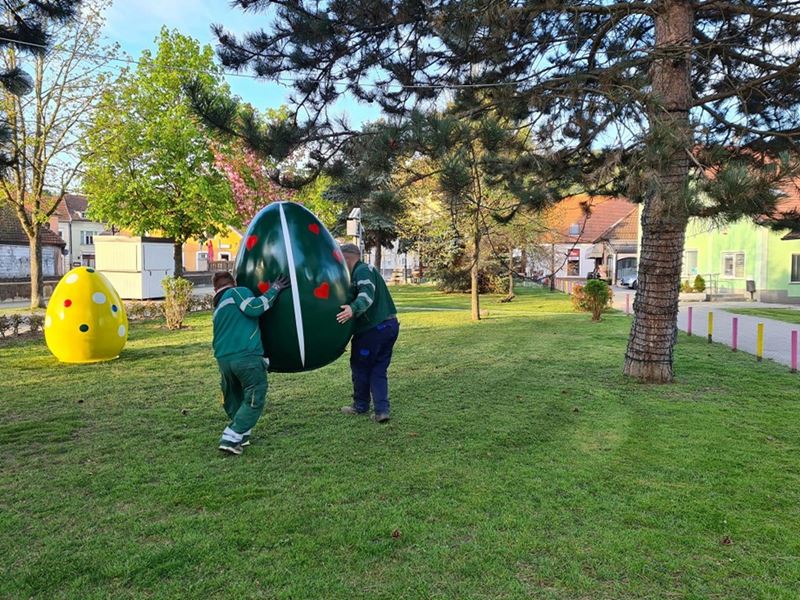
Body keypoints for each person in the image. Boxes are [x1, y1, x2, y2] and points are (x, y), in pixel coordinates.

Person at [211, 271, 289, 455]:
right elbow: (254, 308)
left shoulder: (218, 308)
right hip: (246, 356)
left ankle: (242, 436)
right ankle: (231, 437)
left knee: (236, 397)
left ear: (215, 289)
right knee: (255, 394)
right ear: (233, 282)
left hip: (223, 359)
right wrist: (274, 289)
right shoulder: (237, 292)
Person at [336, 243, 399, 423]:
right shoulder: (367, 269)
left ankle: (361, 405)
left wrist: (352, 309)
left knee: (360, 367)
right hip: (390, 326)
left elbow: (367, 294)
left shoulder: (361, 271)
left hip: (374, 330)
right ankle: (382, 410)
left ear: (346, 258)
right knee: (378, 369)